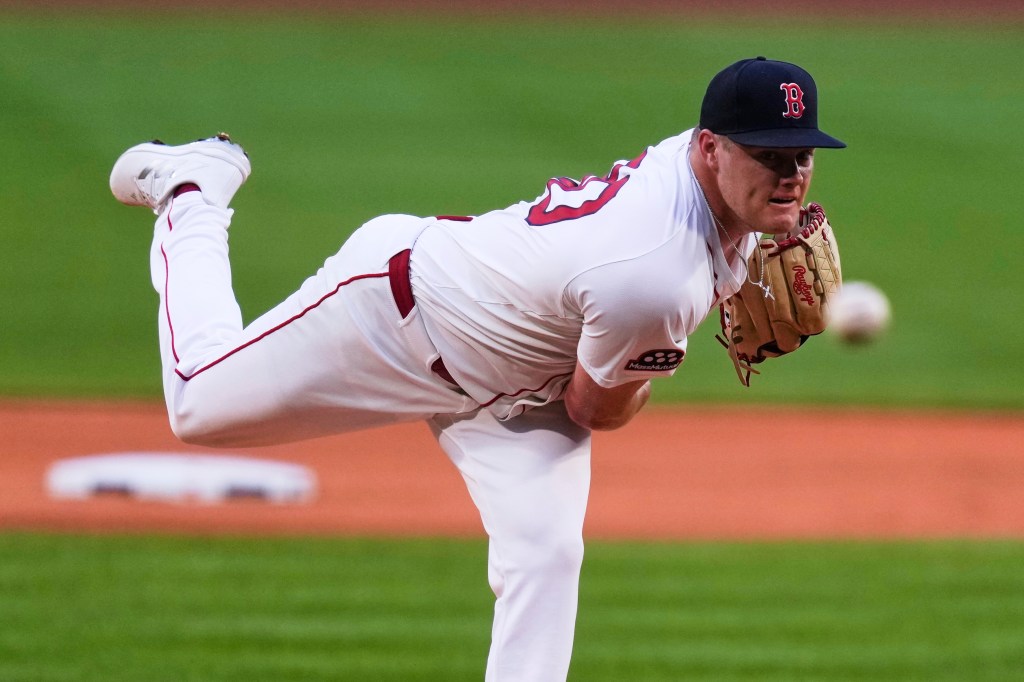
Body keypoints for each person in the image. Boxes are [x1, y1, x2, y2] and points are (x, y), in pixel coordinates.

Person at [109, 56, 845, 681]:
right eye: (770, 158)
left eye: (802, 156)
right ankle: (193, 192)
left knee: (547, 555)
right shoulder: (654, 274)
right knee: (198, 405)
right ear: (711, 148)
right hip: (398, 316)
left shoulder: (701, 175)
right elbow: (599, 410)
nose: (791, 177)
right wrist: (657, 363)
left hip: (518, 390)